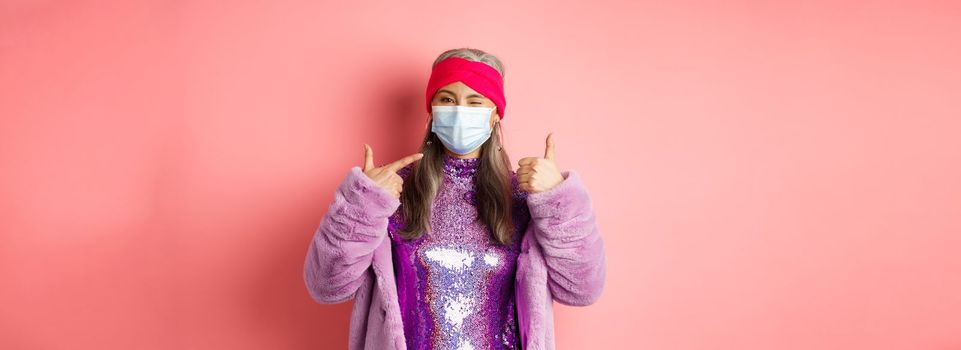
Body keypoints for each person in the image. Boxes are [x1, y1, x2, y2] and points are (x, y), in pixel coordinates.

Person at [303, 47, 606, 350]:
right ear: (432, 110)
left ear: (493, 117)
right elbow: (326, 287)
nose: (460, 111)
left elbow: (582, 290)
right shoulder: (392, 193)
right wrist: (361, 205)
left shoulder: (523, 198)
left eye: (475, 102)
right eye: (447, 99)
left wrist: (557, 202)